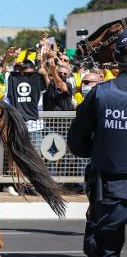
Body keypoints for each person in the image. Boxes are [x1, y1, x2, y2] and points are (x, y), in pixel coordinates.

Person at [67, 29, 127, 256]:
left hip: (109, 188)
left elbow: (75, 141)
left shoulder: (100, 93)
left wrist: (101, 149)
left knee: (104, 249)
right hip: (107, 186)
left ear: (115, 59)